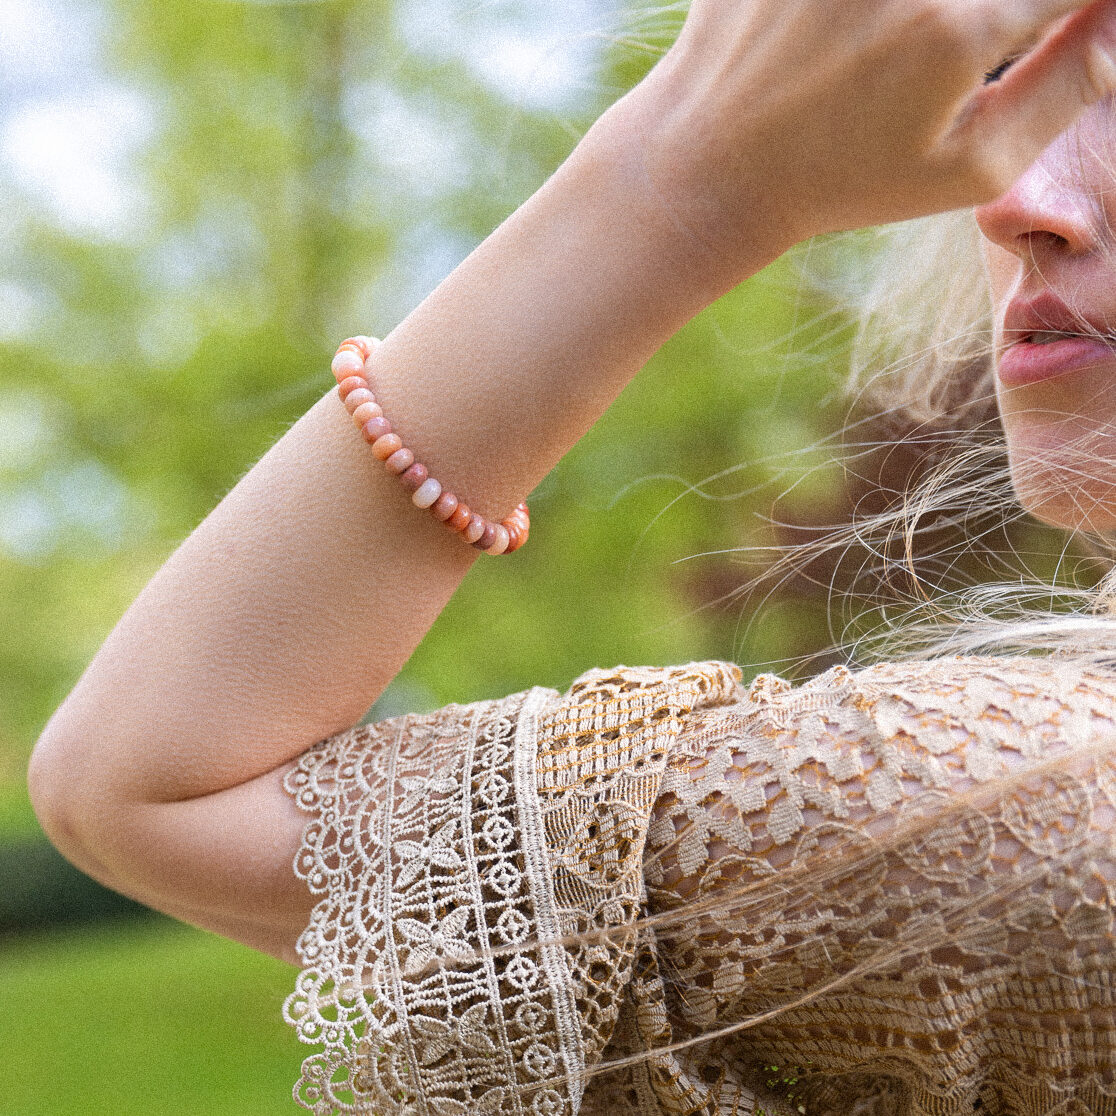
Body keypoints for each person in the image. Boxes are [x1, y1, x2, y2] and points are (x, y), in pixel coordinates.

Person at [24, 0, 1116, 1112]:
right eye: (1028, 79)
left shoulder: (1035, 812)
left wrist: (682, 171)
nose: (1016, 203)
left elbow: (142, 786)